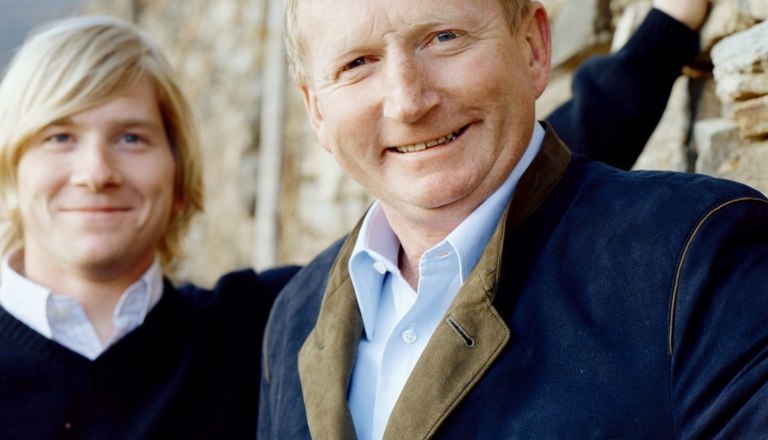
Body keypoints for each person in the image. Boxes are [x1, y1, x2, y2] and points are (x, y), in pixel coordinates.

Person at [259, 0, 768, 439]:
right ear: (316, 111)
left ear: (533, 48)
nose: (408, 102)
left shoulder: (698, 259)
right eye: (356, 63)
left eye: (444, 37)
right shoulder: (293, 318)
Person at [0, 16, 295, 439]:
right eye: (59, 137)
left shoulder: (264, 328)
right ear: (10, 172)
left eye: (131, 138)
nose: (96, 174)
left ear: (178, 177)